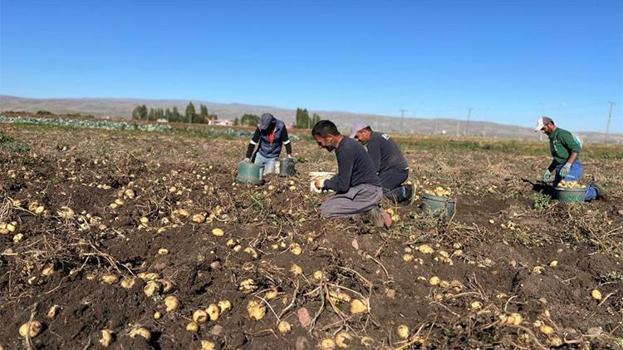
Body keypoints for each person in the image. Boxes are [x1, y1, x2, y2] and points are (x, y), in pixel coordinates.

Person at [311, 120, 392, 228]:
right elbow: (344, 176)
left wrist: (325, 183)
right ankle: (365, 208)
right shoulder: (346, 144)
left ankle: (369, 213)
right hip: (363, 189)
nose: (320, 146)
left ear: (329, 137)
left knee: (325, 211)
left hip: (368, 191)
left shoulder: (345, 149)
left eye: (320, 142)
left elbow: (343, 185)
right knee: (329, 203)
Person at [535, 116, 607, 201]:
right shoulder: (552, 138)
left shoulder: (562, 134)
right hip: (560, 169)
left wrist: (568, 164)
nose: (543, 131)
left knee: (567, 194)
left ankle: (594, 191)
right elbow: (558, 158)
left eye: (543, 128)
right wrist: (549, 170)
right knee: (557, 193)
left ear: (550, 125)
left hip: (572, 167)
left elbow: (576, 149)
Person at [350, 122, 414, 203]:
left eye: (357, 136)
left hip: (396, 172)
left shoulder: (373, 142)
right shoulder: (377, 136)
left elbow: (373, 167)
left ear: (364, 132)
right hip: (396, 171)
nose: (357, 140)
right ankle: (394, 188)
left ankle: (404, 191)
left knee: (374, 194)